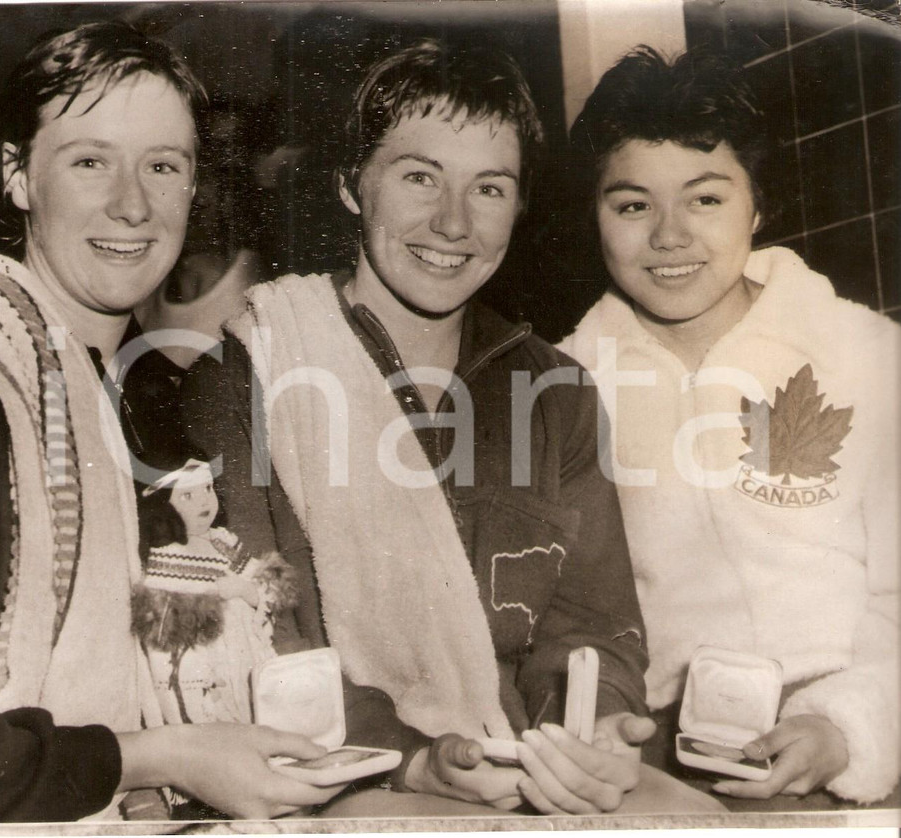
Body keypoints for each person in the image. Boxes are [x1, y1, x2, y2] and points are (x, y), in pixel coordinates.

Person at [183, 38, 723, 816]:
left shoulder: (556, 392)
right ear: (349, 186)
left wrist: (589, 730)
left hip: (516, 753)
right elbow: (250, 637)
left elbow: (594, 624)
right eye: (418, 176)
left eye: (490, 188)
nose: (453, 222)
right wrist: (411, 761)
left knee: (698, 822)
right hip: (338, 764)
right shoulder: (253, 369)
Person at [0, 21, 349, 823]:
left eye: (162, 166)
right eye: (89, 161)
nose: (132, 204)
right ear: (16, 174)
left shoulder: (137, 405)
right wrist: (159, 759)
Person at [556, 46, 900, 808]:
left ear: (758, 205)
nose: (670, 235)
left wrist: (846, 726)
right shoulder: (565, 388)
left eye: (705, 199)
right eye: (633, 204)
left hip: (860, 747)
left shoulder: (866, 354)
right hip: (665, 765)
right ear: (596, 218)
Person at [132, 456, 296, 727]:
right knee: (225, 717)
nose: (204, 501)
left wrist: (245, 591)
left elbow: (270, 588)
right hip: (210, 667)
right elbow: (166, 641)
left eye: (207, 489)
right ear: (163, 507)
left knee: (264, 711)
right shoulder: (167, 557)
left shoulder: (223, 540)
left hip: (249, 655)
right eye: (187, 495)